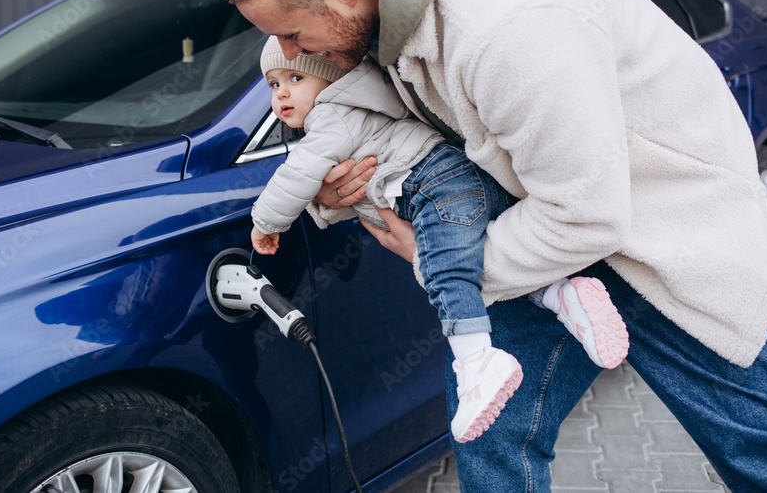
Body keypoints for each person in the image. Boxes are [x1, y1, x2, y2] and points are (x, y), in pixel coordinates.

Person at [223, 0, 767, 490]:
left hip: (668, 236)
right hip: (543, 231)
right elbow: (400, 133)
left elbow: (587, 216)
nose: (287, 53)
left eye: (294, 34)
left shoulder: (508, 26)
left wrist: (442, 263)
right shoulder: (382, 12)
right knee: (490, 427)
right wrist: (332, 196)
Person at [249, 38, 629, 443]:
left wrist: (266, 222)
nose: (283, 92)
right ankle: (564, 295)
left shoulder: (330, 116)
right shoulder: (365, 106)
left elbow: (297, 173)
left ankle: (477, 362)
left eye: (295, 77)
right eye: (273, 84)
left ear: (331, 79)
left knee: (443, 270)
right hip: (465, 179)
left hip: (434, 187)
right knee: (481, 258)